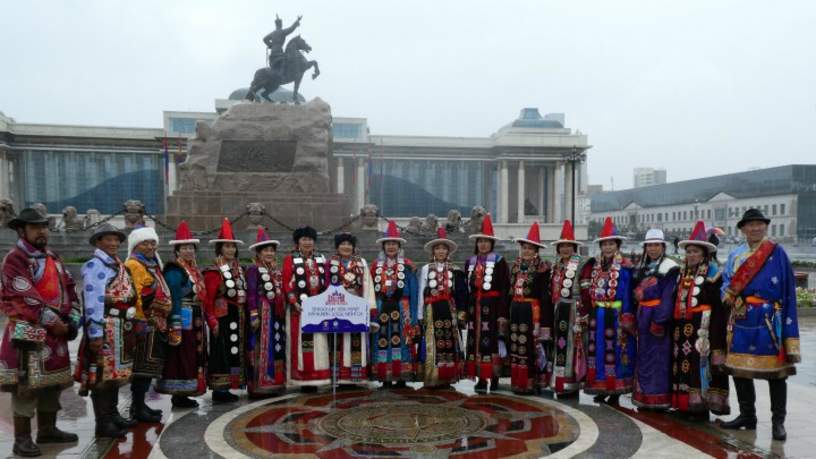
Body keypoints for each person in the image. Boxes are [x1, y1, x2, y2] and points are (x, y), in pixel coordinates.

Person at [0, 208, 80, 456]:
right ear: (22, 231)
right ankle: (21, 438)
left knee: (51, 382)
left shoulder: (52, 256)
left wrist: (73, 317)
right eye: (35, 227)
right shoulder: (15, 259)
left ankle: (48, 429)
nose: (42, 231)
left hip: (56, 331)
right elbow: (20, 294)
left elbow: (69, 286)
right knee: (27, 384)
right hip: (28, 331)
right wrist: (52, 321)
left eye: (44, 226)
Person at [720, 209, 800, 441]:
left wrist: (788, 328)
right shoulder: (736, 254)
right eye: (750, 225)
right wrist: (732, 297)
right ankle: (747, 415)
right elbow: (726, 282)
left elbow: (787, 289)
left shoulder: (777, 253)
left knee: (776, 374)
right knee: (739, 370)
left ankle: (778, 422)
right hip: (742, 317)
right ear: (743, 229)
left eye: (759, 224)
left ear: (765, 227)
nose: (755, 228)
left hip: (769, 320)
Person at [75, 224, 138, 439]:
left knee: (114, 375)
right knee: (101, 376)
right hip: (105, 327)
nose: (113, 244)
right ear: (98, 242)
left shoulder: (116, 265)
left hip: (119, 327)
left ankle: (112, 414)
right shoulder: (95, 265)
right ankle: (102, 422)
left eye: (116, 240)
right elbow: (93, 300)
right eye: (108, 240)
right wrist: (95, 332)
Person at [671, 221, 730, 417]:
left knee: (701, 365)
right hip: (683, 326)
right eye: (689, 252)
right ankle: (685, 404)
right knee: (683, 364)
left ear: (704, 253)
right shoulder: (683, 272)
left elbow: (719, 304)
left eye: (696, 252)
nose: (691, 255)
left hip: (704, 326)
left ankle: (701, 407)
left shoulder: (714, 273)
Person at [579, 216, 635, 405]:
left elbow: (627, 293)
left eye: (611, 244)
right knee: (598, 351)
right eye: (605, 244)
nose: (608, 248)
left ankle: (616, 389)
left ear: (617, 245)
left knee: (616, 351)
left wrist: (627, 316)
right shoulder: (595, 265)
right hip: (598, 315)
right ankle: (600, 386)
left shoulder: (625, 267)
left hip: (615, 314)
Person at [156, 221, 209, 408]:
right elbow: (175, 297)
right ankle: (178, 393)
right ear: (177, 251)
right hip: (183, 318)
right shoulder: (174, 270)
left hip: (195, 317)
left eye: (191, 248)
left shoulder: (193, 269)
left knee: (192, 354)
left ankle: (187, 391)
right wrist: (175, 323)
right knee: (181, 355)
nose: (188, 251)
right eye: (184, 248)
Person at [125, 226, 172, 423]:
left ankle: (141, 405)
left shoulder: (151, 264)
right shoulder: (135, 265)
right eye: (146, 243)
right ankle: (137, 407)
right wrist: (141, 320)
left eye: (153, 243)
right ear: (136, 245)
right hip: (145, 322)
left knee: (149, 367)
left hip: (157, 322)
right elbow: (135, 293)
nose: (150, 246)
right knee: (141, 368)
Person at [631, 228, 679, 410]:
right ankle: (643, 396)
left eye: (656, 245)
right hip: (643, 315)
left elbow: (668, 296)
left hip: (657, 317)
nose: (652, 248)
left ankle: (658, 398)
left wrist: (659, 319)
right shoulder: (643, 267)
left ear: (663, 246)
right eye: (649, 245)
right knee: (643, 357)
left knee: (659, 359)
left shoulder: (670, 268)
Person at [464, 214, 510, 393]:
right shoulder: (470, 262)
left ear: (492, 243)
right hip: (475, 308)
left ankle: (495, 376)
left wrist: (502, 313)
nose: (483, 244)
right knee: (476, 342)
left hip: (493, 308)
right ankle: (481, 378)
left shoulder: (499, 261)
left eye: (486, 241)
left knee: (493, 342)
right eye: (480, 241)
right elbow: (468, 288)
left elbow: (505, 288)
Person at [370, 221, 419, 388]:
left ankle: (401, 375)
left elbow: (414, 292)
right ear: (383, 247)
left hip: (402, 308)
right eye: (388, 244)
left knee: (403, 340)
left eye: (394, 244)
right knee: (382, 340)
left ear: (399, 246)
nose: (391, 247)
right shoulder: (375, 267)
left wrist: (413, 316)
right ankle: (385, 375)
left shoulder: (408, 266)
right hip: (382, 307)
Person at [203, 218, 247, 402]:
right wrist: (212, 320)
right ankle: (219, 389)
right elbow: (208, 299)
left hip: (237, 316)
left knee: (234, 350)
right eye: (227, 246)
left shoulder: (239, 269)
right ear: (220, 248)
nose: (230, 250)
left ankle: (231, 385)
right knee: (221, 352)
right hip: (222, 317)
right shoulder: (213, 271)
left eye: (233, 246)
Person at [417, 228, 468, 388]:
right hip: (432, 310)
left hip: (449, 310)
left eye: (443, 248)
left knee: (450, 342)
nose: (440, 251)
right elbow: (421, 292)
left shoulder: (456, 270)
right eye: (437, 248)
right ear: (433, 251)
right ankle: (433, 376)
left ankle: (448, 376)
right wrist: (420, 314)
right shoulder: (426, 269)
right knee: (432, 341)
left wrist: (461, 315)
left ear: (448, 251)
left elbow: (461, 295)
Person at [282, 226, 330, 391]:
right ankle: (305, 378)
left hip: (318, 310)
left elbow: (328, 282)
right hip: (300, 310)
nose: (307, 242)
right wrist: (293, 301)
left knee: (319, 342)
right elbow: (286, 283)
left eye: (310, 239)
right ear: (298, 242)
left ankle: (319, 376)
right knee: (305, 343)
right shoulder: (290, 259)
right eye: (304, 239)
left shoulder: (321, 259)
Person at [507, 222, 552, 395]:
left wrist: (544, 322)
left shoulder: (542, 269)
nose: (526, 251)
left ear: (536, 251)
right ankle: (517, 381)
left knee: (531, 345)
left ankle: (530, 382)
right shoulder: (516, 266)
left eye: (530, 248)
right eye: (524, 248)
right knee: (516, 344)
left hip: (531, 310)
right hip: (516, 308)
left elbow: (544, 297)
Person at [326, 232, 376, 386]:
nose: (346, 247)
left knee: (355, 340)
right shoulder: (330, 264)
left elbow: (367, 285)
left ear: (353, 247)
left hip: (356, 307)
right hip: (336, 306)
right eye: (343, 244)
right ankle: (339, 376)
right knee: (338, 341)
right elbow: (325, 286)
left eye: (349, 244)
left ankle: (355, 376)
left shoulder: (361, 263)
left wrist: (369, 308)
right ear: (337, 247)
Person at [244, 227, 287, 397]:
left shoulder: (275, 270)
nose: (269, 253)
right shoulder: (254, 270)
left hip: (276, 314)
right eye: (265, 250)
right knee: (262, 346)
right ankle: (260, 383)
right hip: (263, 313)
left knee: (277, 344)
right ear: (259, 253)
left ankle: (275, 380)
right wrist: (254, 314)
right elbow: (251, 293)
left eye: (271, 250)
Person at [548, 219, 587, 397]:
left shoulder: (581, 264)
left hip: (573, 310)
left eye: (568, 246)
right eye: (562, 246)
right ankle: (559, 382)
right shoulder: (556, 266)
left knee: (572, 347)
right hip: (558, 310)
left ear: (574, 247)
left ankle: (571, 384)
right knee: (559, 346)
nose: (565, 249)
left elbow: (585, 291)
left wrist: (583, 314)